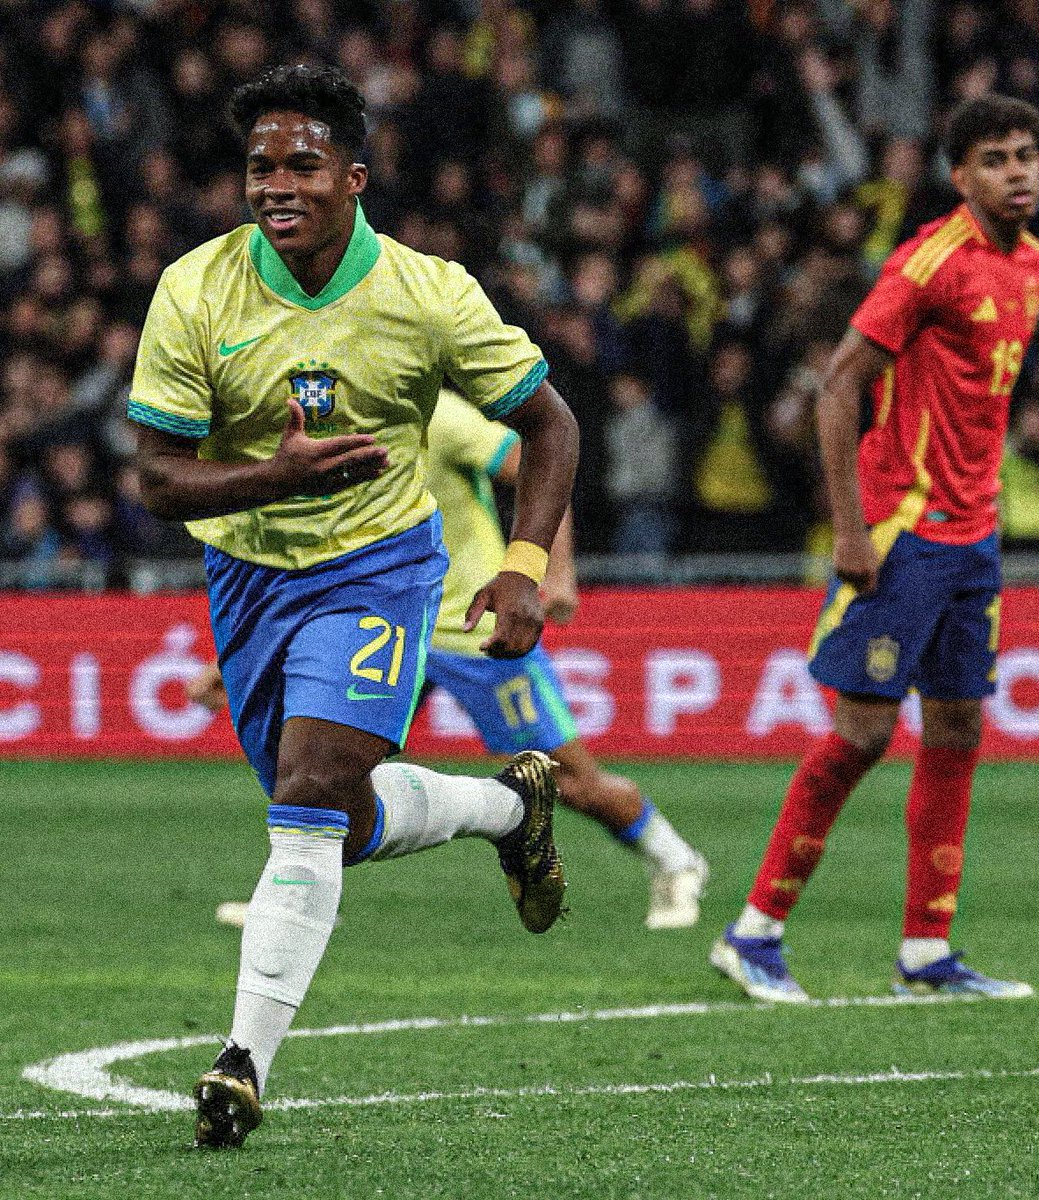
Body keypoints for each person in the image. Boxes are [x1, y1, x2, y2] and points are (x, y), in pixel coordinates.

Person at [129, 64, 579, 1149]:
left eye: (303, 164)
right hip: (244, 576)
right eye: (259, 167)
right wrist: (272, 480)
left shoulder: (429, 293)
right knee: (338, 818)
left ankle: (241, 1063)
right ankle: (509, 811)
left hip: (379, 567)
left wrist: (521, 563)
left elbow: (551, 425)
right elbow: (155, 478)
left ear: (355, 177)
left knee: (314, 786)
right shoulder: (197, 289)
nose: (277, 185)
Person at [710, 94, 1039, 1003]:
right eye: (996, 158)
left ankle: (926, 955)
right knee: (862, 734)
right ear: (959, 176)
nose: (1018, 171)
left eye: (1027, 155)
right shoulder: (927, 264)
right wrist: (853, 526)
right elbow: (838, 386)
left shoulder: (1037, 267)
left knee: (958, 730)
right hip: (903, 532)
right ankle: (754, 934)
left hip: (975, 536)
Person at [190, 388, 709, 930]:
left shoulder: (440, 415)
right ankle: (296, 894)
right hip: (385, 621)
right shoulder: (322, 425)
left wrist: (551, 574)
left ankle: (676, 861)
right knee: (321, 764)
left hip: (474, 630)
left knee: (571, 783)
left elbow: (534, 463)